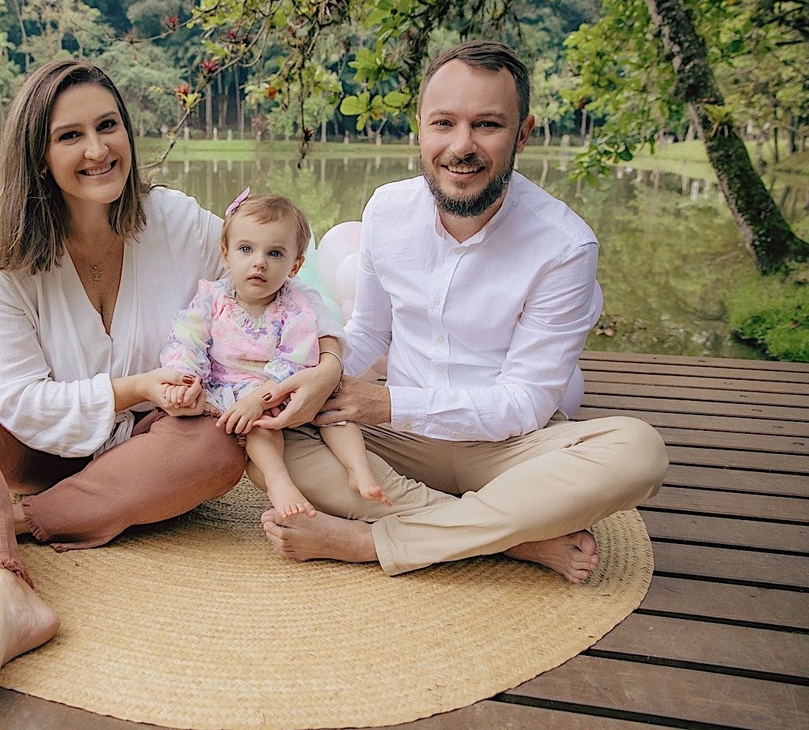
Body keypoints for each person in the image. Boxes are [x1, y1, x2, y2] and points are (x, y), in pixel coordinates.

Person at [0, 59, 343, 715]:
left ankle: (12, 521)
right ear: (37, 153)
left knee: (222, 443)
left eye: (108, 126)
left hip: (153, 445)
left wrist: (326, 362)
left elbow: (283, 273)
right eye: (69, 135)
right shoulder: (2, 255)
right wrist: (135, 386)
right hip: (39, 443)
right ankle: (2, 594)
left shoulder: (175, 220)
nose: (98, 149)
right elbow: (16, 401)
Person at [254, 40, 669, 585]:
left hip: (506, 449)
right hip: (398, 445)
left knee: (638, 452)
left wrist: (388, 404)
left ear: (523, 133)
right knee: (262, 431)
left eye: (487, 125)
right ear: (420, 129)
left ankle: (372, 541)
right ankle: (513, 538)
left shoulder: (564, 246)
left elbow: (522, 403)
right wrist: (314, 373)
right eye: (444, 123)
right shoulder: (387, 210)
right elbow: (369, 332)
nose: (461, 146)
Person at [160, 191, 392, 519]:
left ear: (295, 265)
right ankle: (279, 480)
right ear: (226, 254)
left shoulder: (295, 306)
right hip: (235, 390)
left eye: (275, 253)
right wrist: (184, 377)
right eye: (246, 249)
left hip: (285, 383)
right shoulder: (212, 299)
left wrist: (266, 393)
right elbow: (186, 338)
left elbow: (297, 355)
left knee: (336, 410)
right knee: (258, 427)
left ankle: (358, 468)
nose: (259, 262)